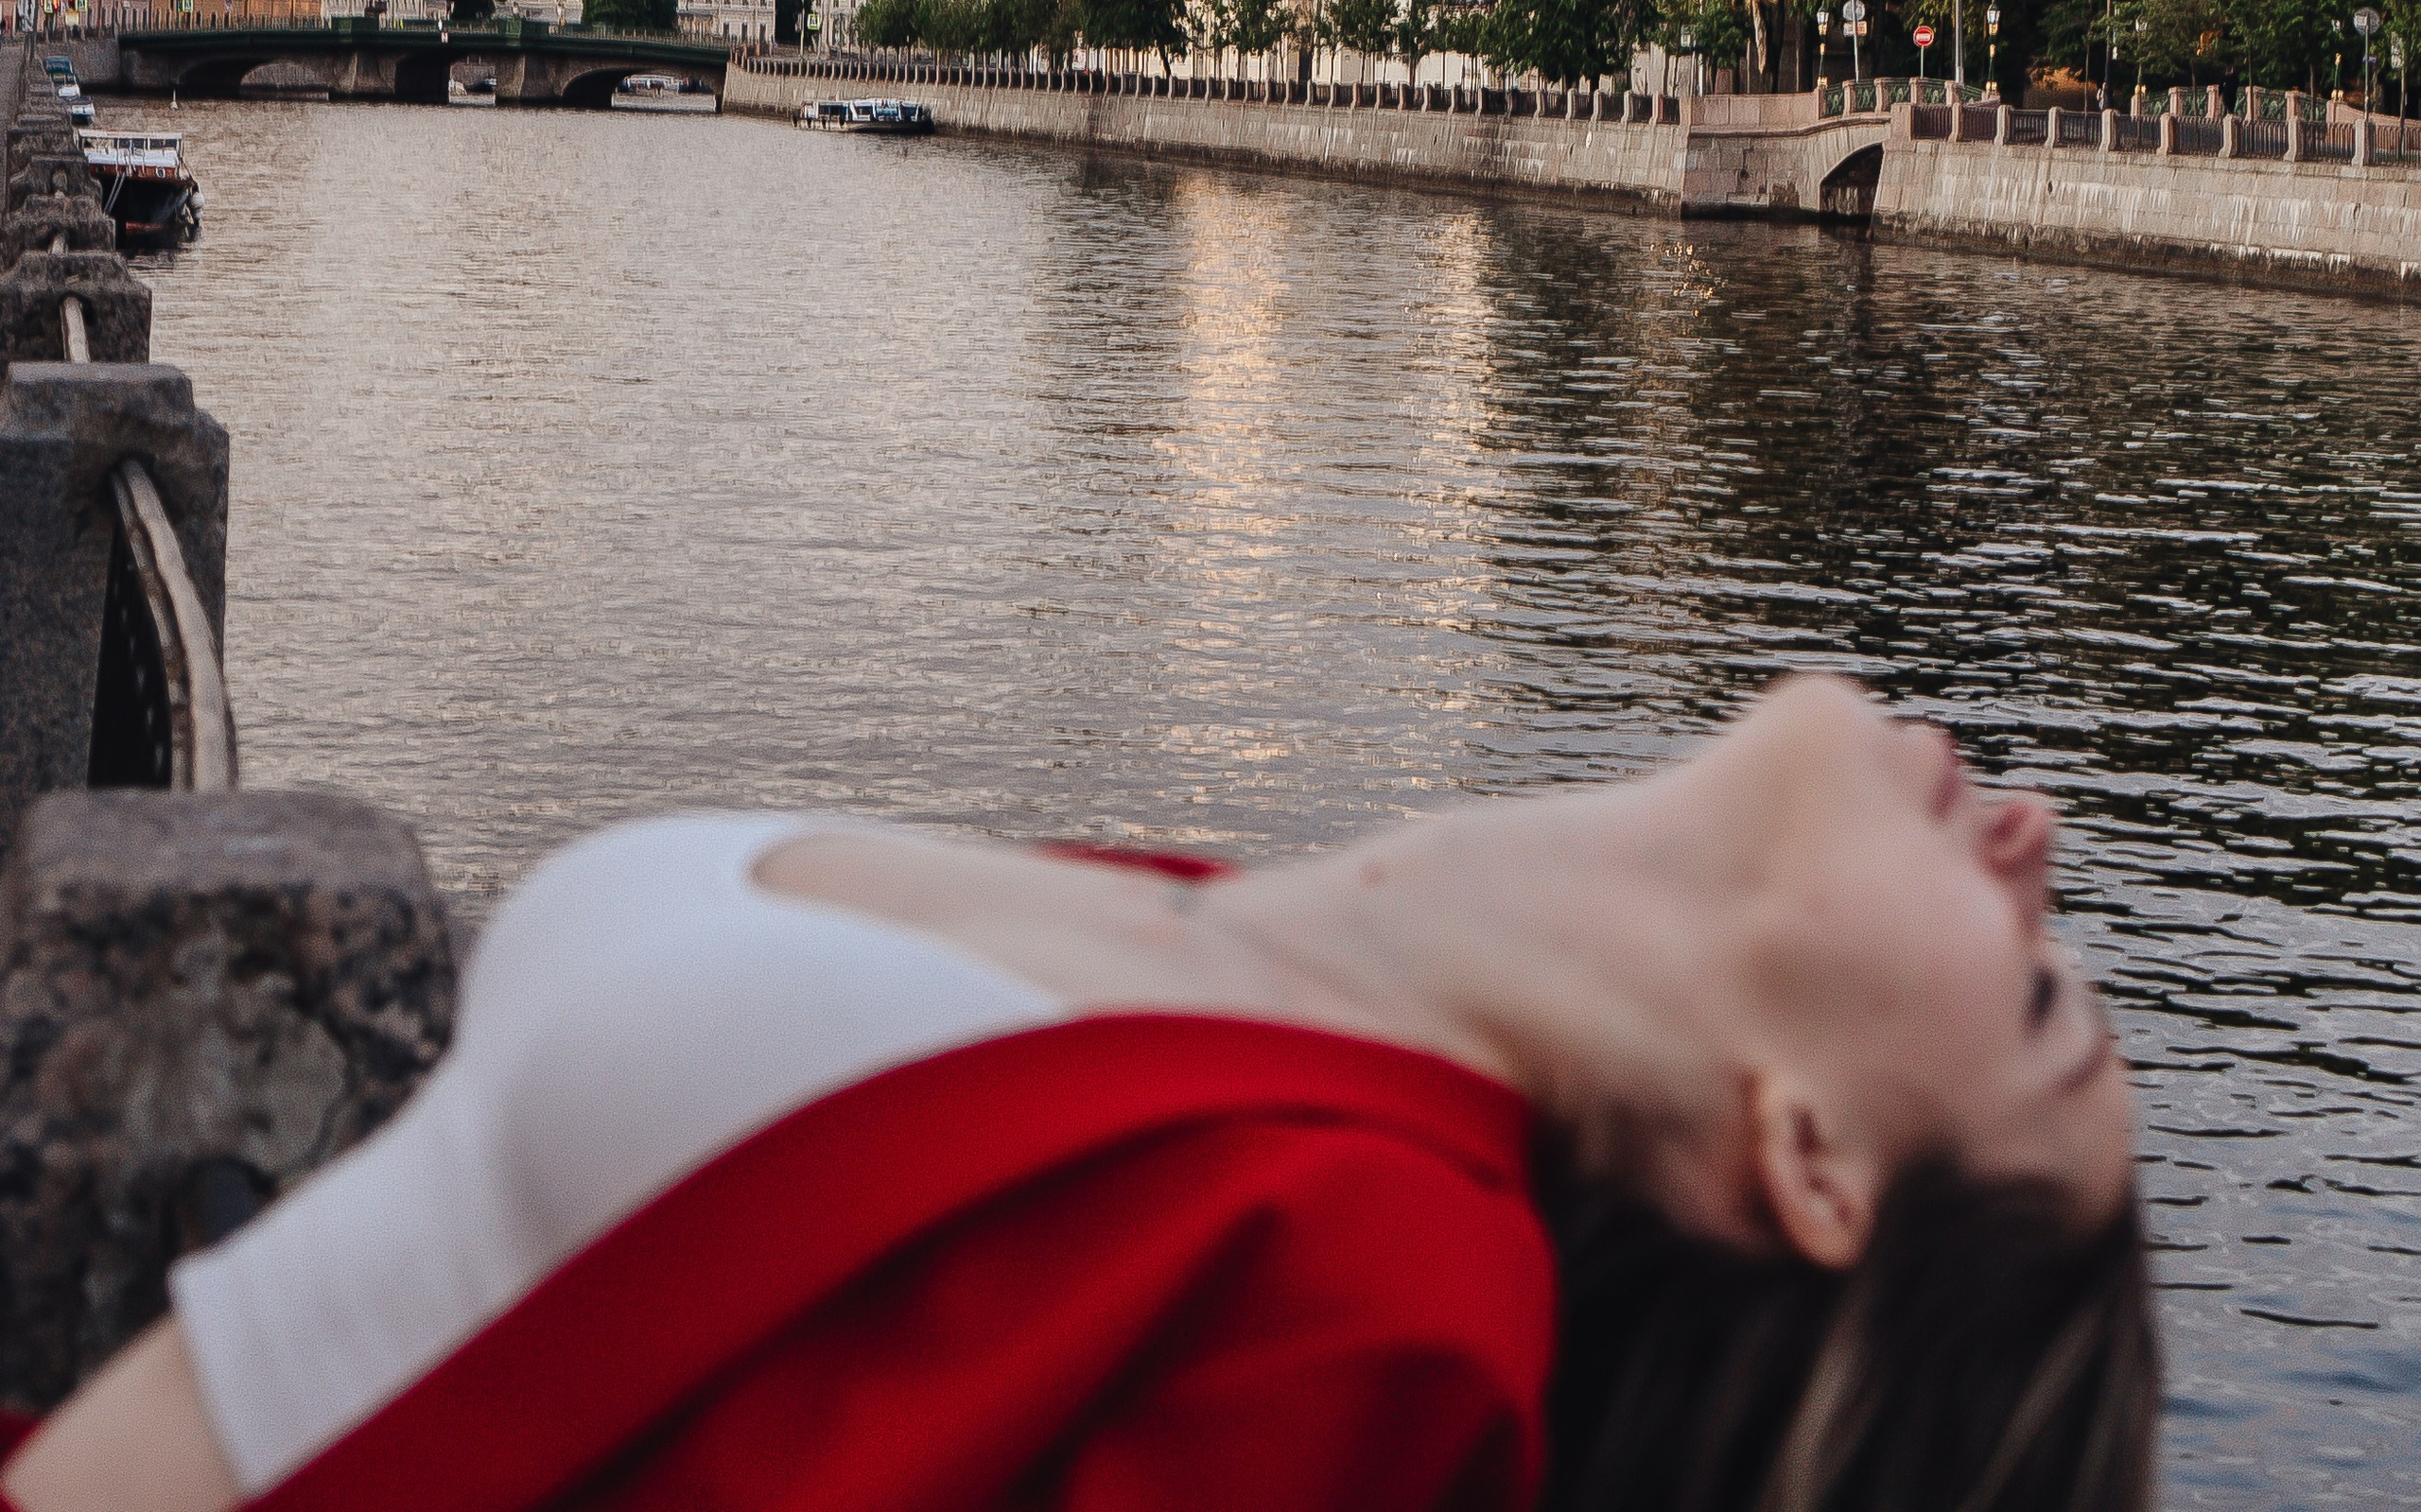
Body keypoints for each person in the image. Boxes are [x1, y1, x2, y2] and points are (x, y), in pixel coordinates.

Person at [0, 674, 2155, 1512]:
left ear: (1806, 1152)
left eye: (2039, 1002)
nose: (2037, 837)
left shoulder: (1386, 1310)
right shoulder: (1261, 940)